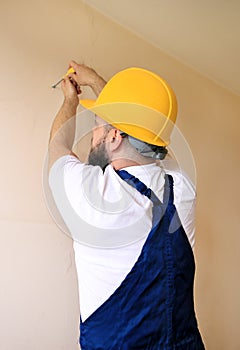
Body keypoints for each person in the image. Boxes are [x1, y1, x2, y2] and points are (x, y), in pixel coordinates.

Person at [48, 61, 205, 349]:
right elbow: (148, 139)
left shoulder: (94, 195)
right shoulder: (182, 190)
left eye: (96, 126)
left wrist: (71, 100)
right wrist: (97, 81)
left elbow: (57, 148)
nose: (92, 134)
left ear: (114, 136)